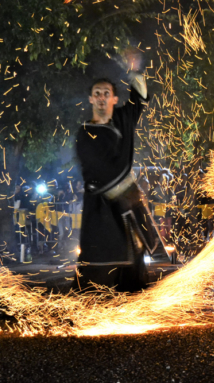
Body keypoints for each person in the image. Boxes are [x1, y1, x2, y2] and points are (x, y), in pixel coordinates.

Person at [75, 52, 162, 292]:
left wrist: (134, 71)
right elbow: (98, 170)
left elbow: (140, 97)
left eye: (106, 94)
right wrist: (125, 192)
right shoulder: (85, 133)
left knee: (135, 255)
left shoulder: (122, 120)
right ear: (91, 100)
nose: (101, 98)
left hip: (128, 204)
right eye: (97, 94)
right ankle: (86, 312)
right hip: (102, 207)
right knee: (101, 264)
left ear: (114, 99)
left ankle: (132, 305)